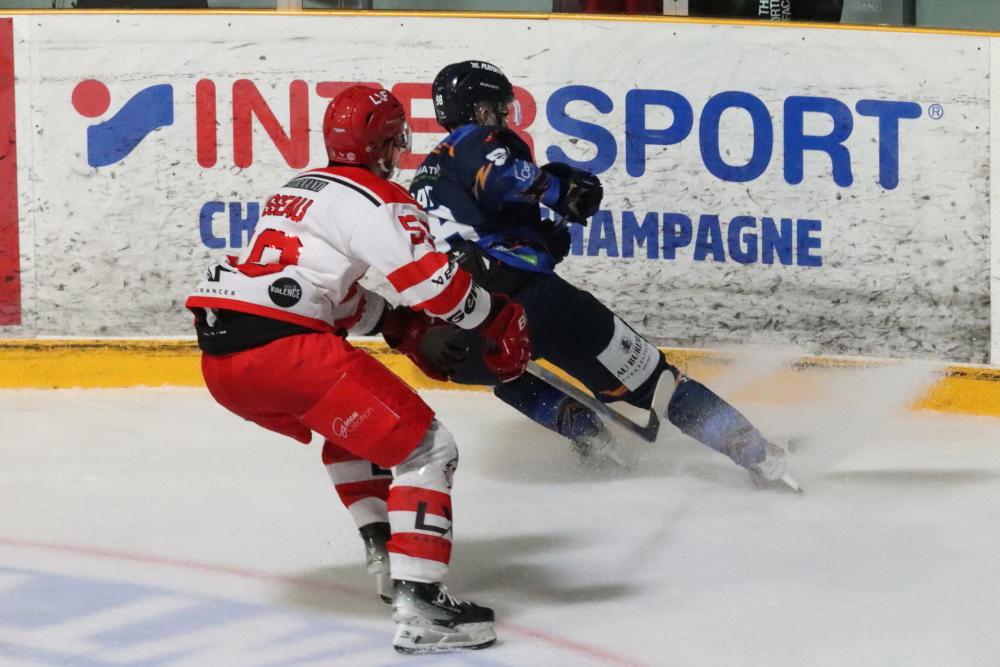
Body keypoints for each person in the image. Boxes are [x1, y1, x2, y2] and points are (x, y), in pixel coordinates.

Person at [185, 84, 531, 653]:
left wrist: (397, 325)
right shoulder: (378, 197)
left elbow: (322, 291)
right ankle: (423, 606)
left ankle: (388, 558)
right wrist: (497, 317)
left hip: (223, 361)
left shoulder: (294, 189)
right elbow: (435, 287)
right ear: (386, 144)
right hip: (285, 352)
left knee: (358, 435)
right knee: (427, 449)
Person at [405, 60, 798, 490]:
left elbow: (463, 239)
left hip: (455, 340)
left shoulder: (424, 179)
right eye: (499, 109)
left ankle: (588, 434)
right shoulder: (473, 141)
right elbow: (497, 176)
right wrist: (559, 191)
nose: (503, 117)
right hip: (527, 306)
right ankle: (760, 456)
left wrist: (538, 241)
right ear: (480, 111)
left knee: (508, 374)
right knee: (659, 384)